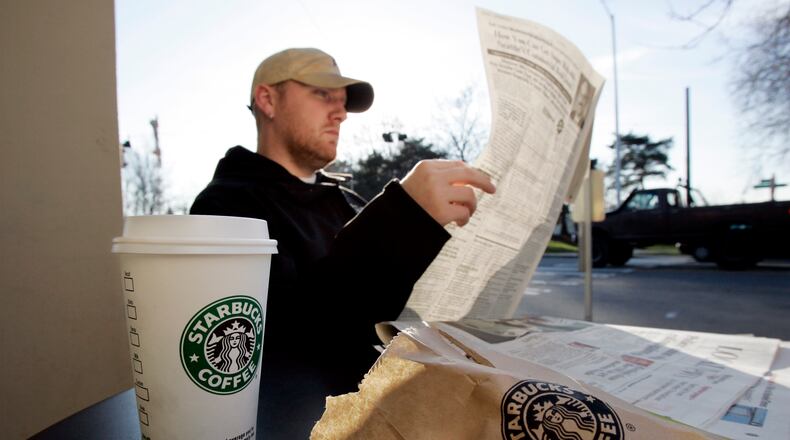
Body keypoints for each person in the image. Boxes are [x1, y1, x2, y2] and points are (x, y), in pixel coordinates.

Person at [190, 47, 495, 438]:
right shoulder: (225, 205)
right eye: (322, 95)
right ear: (268, 100)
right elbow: (285, 345)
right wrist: (405, 218)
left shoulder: (348, 203)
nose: (340, 112)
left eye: (342, 101)